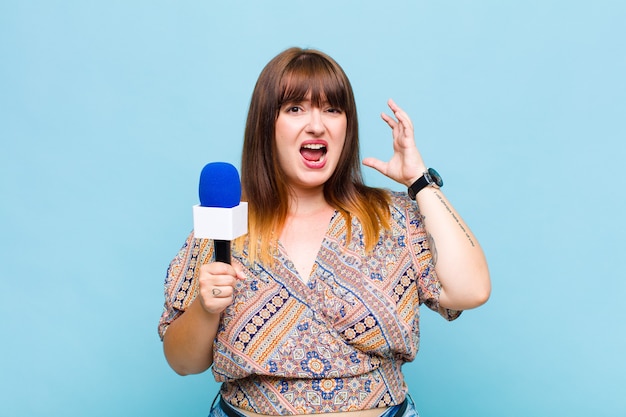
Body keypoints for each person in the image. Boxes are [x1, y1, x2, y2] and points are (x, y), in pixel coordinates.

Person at [158, 47, 490, 417]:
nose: (316, 125)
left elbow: (471, 291)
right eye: (295, 108)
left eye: (332, 109)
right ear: (266, 124)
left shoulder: (393, 217)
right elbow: (182, 362)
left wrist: (420, 181)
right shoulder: (226, 224)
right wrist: (206, 308)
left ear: (346, 127)